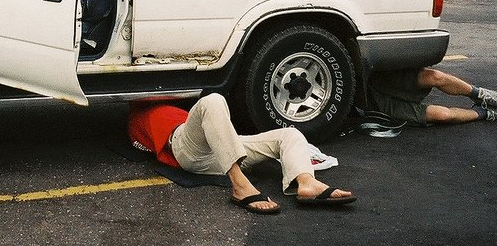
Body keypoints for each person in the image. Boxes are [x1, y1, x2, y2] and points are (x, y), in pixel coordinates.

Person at [128, 93, 356, 215]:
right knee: (213, 101)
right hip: (186, 149)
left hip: (222, 147)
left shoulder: (179, 105)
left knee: (289, 135)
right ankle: (239, 184)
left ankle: (306, 182)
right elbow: (144, 145)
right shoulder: (139, 113)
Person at [368, 67, 497, 126]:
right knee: (442, 116)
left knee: (434, 76)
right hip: (368, 102)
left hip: (373, 74)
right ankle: (485, 112)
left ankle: (481, 95)